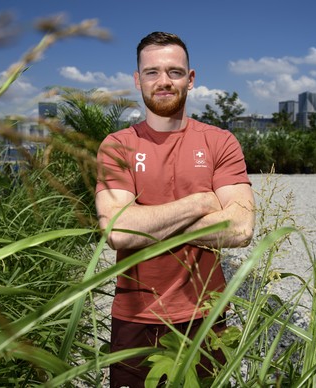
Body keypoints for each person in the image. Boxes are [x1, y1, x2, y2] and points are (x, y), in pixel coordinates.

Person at [95, 31, 255, 387]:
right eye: (152, 72)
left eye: (174, 72)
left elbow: (241, 228)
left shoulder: (220, 142)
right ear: (138, 81)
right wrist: (200, 203)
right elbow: (118, 232)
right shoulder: (118, 145)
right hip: (135, 318)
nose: (163, 81)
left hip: (206, 317)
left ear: (191, 79)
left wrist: (148, 223)